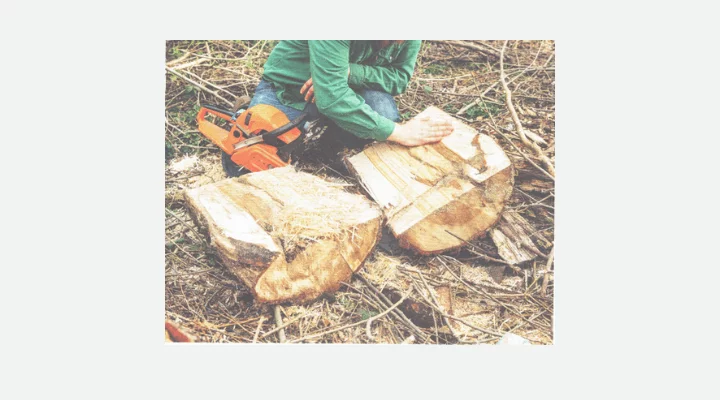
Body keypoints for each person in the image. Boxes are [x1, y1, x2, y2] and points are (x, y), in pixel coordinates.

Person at [249, 40, 454, 149]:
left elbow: (399, 78)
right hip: (290, 92)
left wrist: (350, 72)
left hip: (351, 91)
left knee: (384, 120)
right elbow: (333, 98)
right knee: (251, 154)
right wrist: (400, 133)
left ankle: (336, 135)